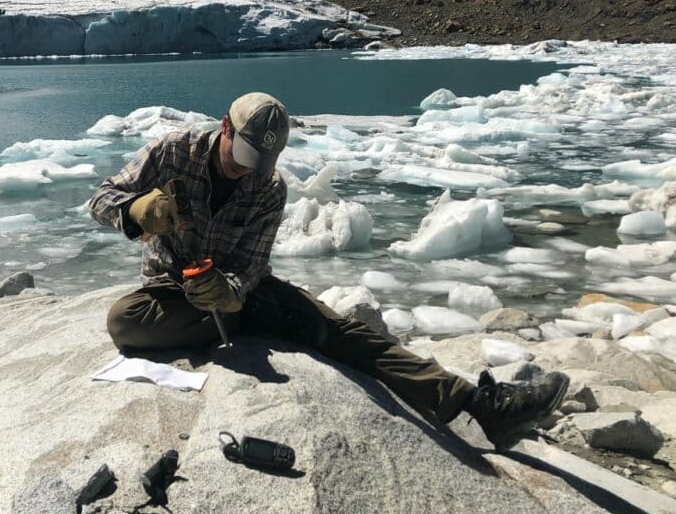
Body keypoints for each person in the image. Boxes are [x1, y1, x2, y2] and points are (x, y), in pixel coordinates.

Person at [88, 91, 569, 451]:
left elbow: (252, 265)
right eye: (243, 156)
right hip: (172, 292)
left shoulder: (266, 186)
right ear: (224, 128)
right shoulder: (173, 151)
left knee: (342, 332)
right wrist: (136, 213)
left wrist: (231, 294)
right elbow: (102, 199)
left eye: (260, 162)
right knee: (122, 322)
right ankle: (236, 323)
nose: (247, 170)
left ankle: (482, 406)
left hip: (241, 294)